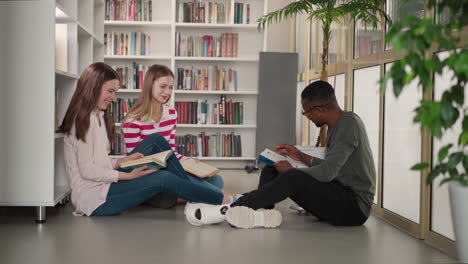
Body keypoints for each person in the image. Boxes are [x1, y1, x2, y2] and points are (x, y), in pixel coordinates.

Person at [60, 62, 235, 218]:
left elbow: (98, 162)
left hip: (105, 186)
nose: (113, 97)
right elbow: (87, 171)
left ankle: (196, 195)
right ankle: (228, 200)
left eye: (115, 92)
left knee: (213, 180)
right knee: (164, 177)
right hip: (94, 198)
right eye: (110, 91)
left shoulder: (97, 116)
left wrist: (120, 161)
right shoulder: (82, 121)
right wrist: (127, 175)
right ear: (93, 87)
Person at [194, 80, 376, 228]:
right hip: (339, 192)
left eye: (307, 112)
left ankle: (228, 210)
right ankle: (260, 210)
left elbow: (328, 173)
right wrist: (299, 155)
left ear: (320, 110)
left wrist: (290, 171)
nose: (307, 117)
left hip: (353, 208)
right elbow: (335, 168)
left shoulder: (348, 126)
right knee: (273, 167)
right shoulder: (336, 125)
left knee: (292, 177)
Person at [120, 64, 225, 209]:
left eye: (170, 87)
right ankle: (221, 197)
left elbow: (172, 152)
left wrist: (188, 161)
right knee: (169, 189)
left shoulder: (171, 114)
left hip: (171, 170)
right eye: (162, 86)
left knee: (216, 180)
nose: (167, 92)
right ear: (150, 85)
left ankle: (187, 194)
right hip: (147, 174)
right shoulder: (133, 119)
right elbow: (133, 161)